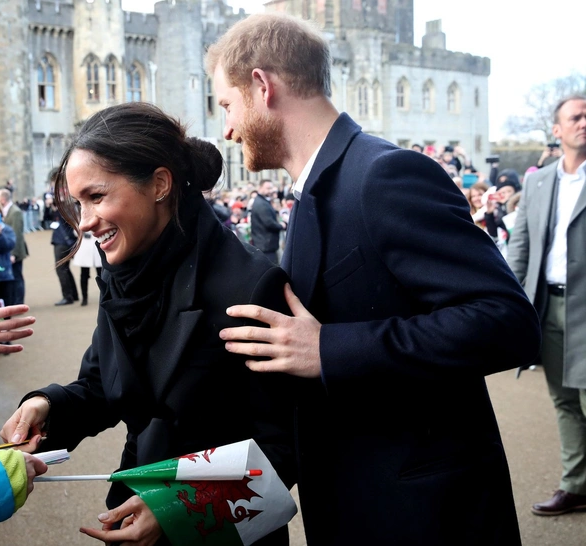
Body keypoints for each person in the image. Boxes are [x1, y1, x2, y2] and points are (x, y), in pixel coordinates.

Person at [206, 13, 541, 546]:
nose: (225, 128)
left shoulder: (384, 174)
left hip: (425, 515)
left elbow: (507, 321)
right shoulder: (318, 185)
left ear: (262, 86)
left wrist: (330, 349)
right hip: (355, 503)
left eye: (226, 105)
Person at [0, 102, 296, 545]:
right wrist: (48, 407)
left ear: (159, 184)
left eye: (96, 197)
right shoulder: (122, 272)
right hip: (133, 508)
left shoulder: (251, 286)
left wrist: (178, 512)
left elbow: (285, 447)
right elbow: (104, 385)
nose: (83, 223)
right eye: (77, 203)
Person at [507, 94, 586, 516]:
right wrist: (508, 299)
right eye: (575, 116)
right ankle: (576, 485)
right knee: (565, 401)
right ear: (557, 130)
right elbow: (519, 248)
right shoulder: (537, 181)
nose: (583, 121)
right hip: (547, 306)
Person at [0, 189, 27, 305]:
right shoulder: (6, 211)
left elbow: (17, 234)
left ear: (2, 200)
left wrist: (13, 253)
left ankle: (19, 302)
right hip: (11, 250)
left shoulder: (15, 212)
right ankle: (14, 301)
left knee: (17, 277)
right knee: (13, 277)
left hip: (15, 251)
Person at [250, 179, 286, 264]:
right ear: (260, 188)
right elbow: (269, 223)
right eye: (267, 188)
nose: (270, 191)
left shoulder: (262, 201)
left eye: (271, 188)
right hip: (265, 245)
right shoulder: (261, 203)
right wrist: (281, 225)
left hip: (266, 244)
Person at [71, 231, 102, 307]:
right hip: (85, 247)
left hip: (97, 245)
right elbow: (75, 232)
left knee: (101, 275)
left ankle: (105, 295)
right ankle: (84, 297)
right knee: (84, 275)